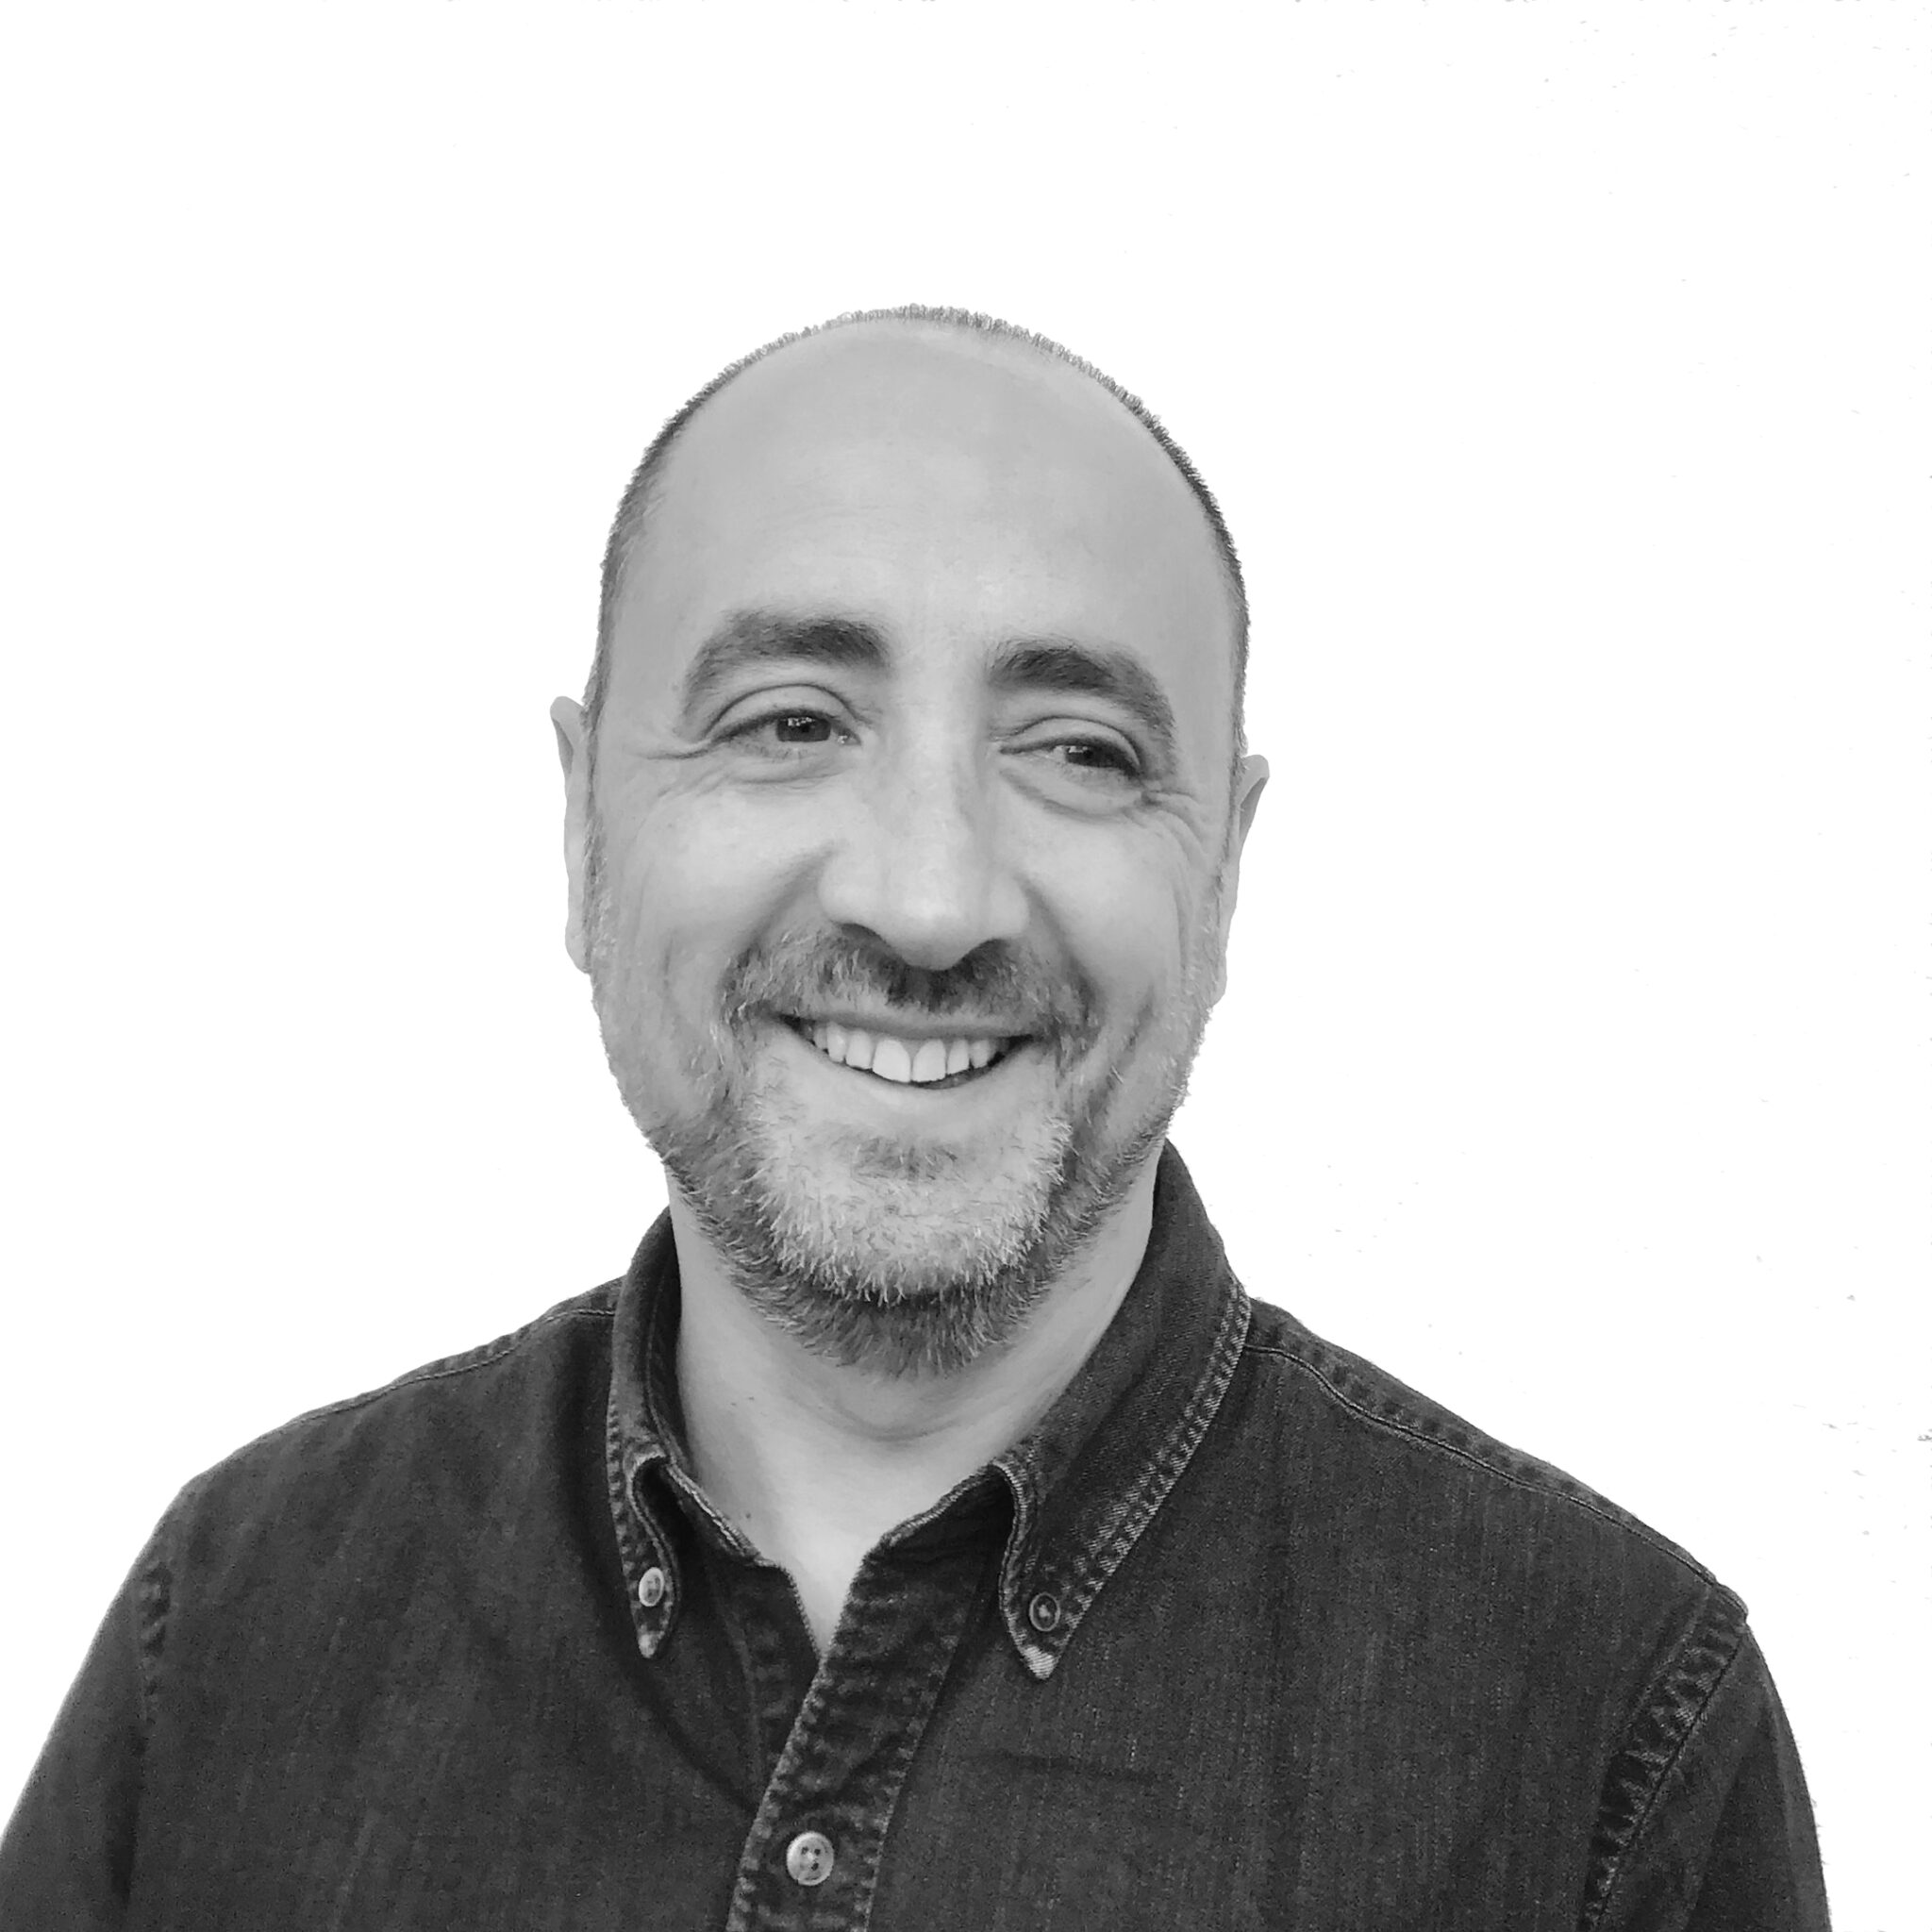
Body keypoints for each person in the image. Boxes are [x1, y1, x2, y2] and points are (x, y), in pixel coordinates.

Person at [0, 306, 1829, 1929]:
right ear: (580, 829)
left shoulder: (1605, 1739)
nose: (929, 896)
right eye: (788, 721)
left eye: (1082, 751)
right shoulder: (233, 1628)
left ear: (1225, 876)